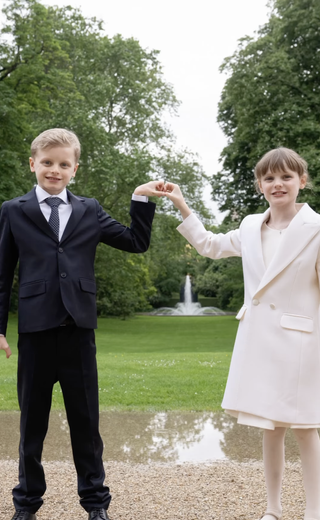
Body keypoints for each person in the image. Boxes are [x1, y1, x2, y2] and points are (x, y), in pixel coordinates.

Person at [0, 128, 166, 520]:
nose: (54, 170)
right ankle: (26, 503)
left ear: (74, 169)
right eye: (47, 163)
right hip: (36, 333)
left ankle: (95, 504)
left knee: (86, 425)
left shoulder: (89, 209)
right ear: (33, 165)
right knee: (31, 426)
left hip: (79, 332)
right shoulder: (13, 210)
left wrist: (140, 197)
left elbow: (135, 241)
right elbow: (2, 273)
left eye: (63, 164)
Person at [164, 147, 320, 520]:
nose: (277, 184)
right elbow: (209, 245)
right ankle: (273, 509)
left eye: (285, 177)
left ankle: (314, 511)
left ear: (302, 181)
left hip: (302, 343)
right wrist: (183, 205)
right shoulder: (250, 227)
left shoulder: (316, 228)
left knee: (306, 430)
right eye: (269, 178)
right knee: (270, 428)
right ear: (260, 186)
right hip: (260, 341)